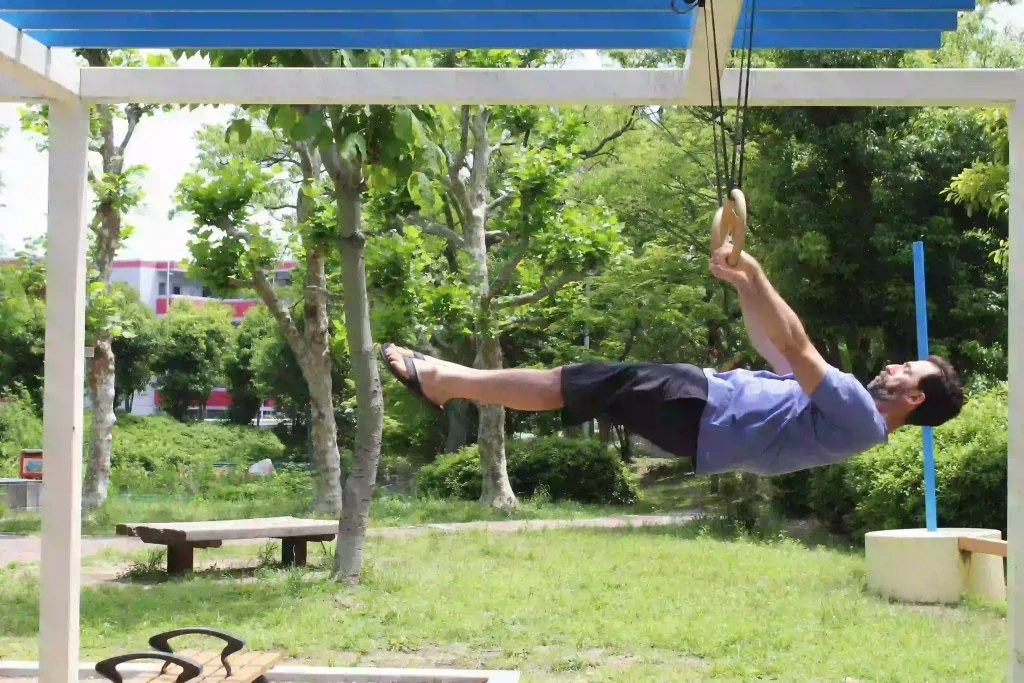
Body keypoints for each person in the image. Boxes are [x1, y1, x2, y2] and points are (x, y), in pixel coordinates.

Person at [379, 244, 964, 477]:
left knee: (574, 382)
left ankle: (444, 381)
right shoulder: (840, 411)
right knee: (581, 384)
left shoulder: (860, 415)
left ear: (915, 399)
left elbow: (796, 345)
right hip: (701, 409)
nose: (894, 366)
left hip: (701, 410)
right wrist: (741, 284)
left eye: (908, 371)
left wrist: (757, 273)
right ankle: (446, 381)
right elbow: (772, 345)